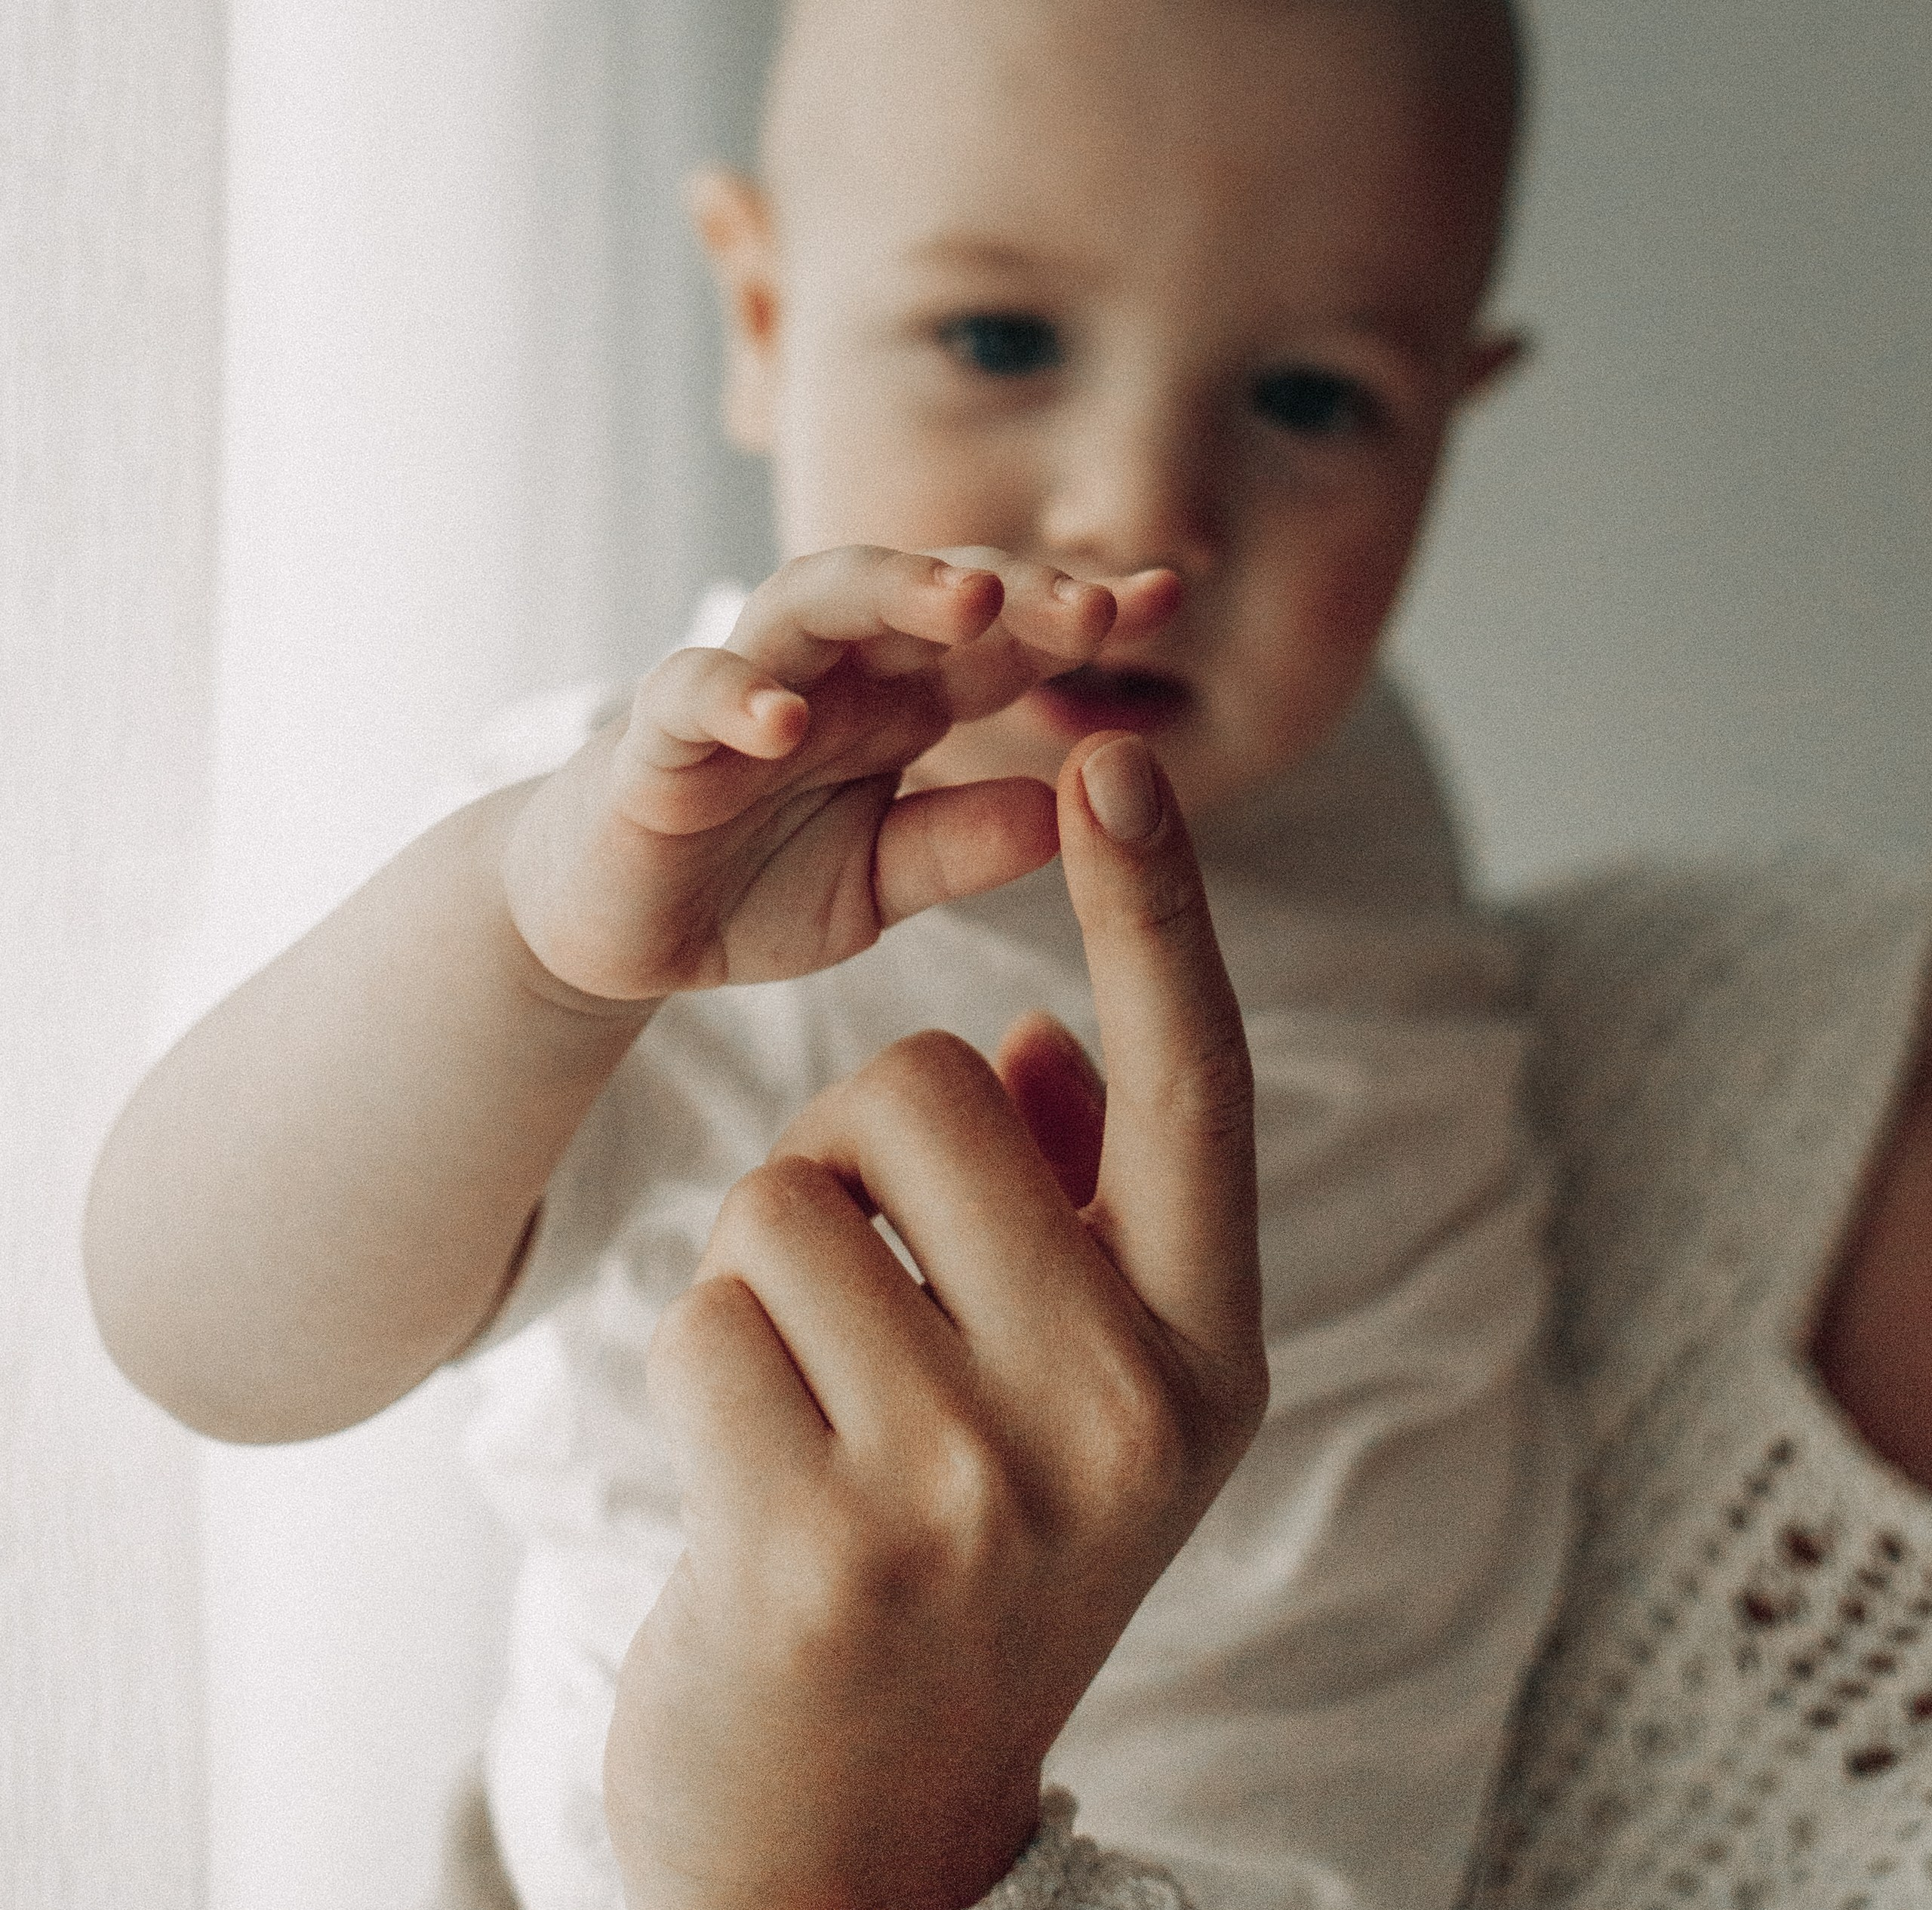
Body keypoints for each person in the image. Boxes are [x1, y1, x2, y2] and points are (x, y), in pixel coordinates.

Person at [80, 2, 1932, 1908]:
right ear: (762, 317)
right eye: (998, 341)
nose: (1138, 505)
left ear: (1452, 413)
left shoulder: (1352, 779)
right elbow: (195, 1330)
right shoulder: (666, 840)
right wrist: (528, 962)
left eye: (1308, 400)